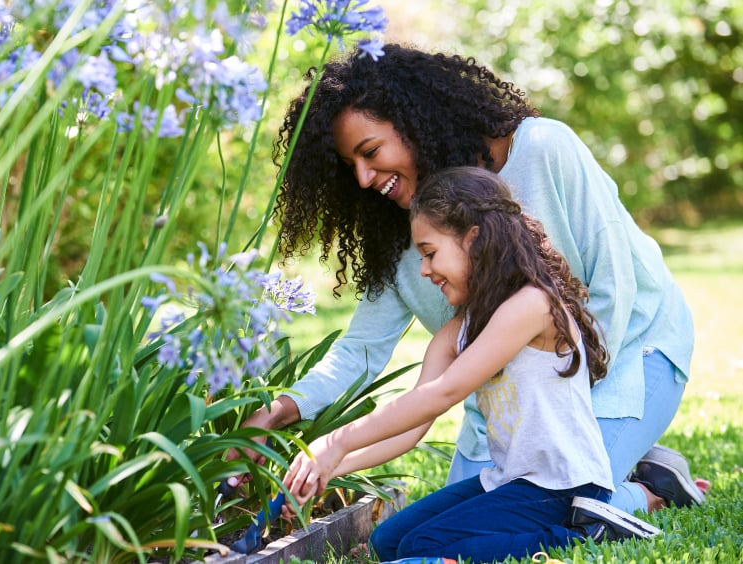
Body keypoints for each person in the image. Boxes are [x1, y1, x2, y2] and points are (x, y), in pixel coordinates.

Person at [231, 43, 705, 516]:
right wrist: (280, 410)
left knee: (558, 507)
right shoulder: (404, 237)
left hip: (628, 356)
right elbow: (360, 350)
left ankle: (646, 491)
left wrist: (564, 423)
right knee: (459, 518)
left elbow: (614, 286)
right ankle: (631, 464)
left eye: (370, 152)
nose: (362, 178)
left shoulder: (542, 149)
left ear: (415, 120)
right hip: (511, 407)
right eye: (349, 165)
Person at [282, 166, 659, 562]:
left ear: (473, 240)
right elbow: (411, 428)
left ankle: (589, 534)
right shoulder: (458, 330)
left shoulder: (533, 305)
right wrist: (330, 467)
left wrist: (337, 440)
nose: (425, 270)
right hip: (510, 481)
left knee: (422, 548)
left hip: (563, 488)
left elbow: (444, 393)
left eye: (430, 253)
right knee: (387, 543)